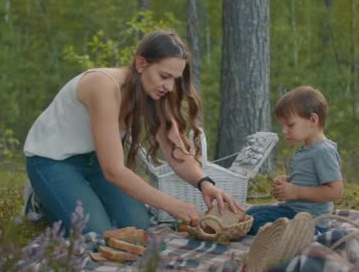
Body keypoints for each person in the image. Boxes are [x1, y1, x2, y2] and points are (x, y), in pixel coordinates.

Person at [23, 30, 242, 235]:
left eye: (175, 79)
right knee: (97, 236)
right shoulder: (103, 86)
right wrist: (172, 204)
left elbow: (177, 154)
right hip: (53, 162)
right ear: (140, 63)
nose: (169, 87)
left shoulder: (156, 95)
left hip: (95, 162)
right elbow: (114, 171)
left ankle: (81, 196)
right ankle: (41, 197)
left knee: (138, 227)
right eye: (164, 76)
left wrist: (205, 183)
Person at [246, 86, 344, 235]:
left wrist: (296, 191)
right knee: (252, 212)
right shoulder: (307, 149)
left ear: (313, 119)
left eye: (290, 125)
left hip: (310, 221)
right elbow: (311, 179)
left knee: (254, 222)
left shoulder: (323, 151)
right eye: (283, 125)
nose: (284, 130)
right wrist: (288, 180)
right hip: (292, 211)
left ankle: (283, 238)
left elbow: (336, 191)